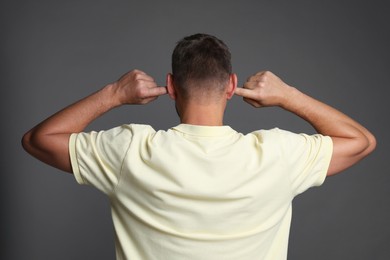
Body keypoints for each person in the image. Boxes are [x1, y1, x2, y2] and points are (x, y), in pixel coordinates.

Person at [22, 33, 376, 260]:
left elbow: (37, 141)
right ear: (232, 85)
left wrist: (114, 94)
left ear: (171, 86)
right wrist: (288, 96)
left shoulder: (130, 151)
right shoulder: (278, 155)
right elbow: (360, 142)